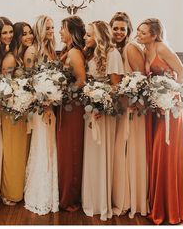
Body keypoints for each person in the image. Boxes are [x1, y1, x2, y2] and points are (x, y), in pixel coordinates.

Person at [137, 18, 183, 225]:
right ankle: (158, 204)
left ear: (154, 35)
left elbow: (182, 73)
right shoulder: (145, 50)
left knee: (164, 154)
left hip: (170, 111)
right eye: (138, 31)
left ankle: (169, 210)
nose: (139, 35)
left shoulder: (163, 48)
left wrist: (171, 94)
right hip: (156, 108)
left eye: (143, 32)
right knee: (156, 155)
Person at [82, 20, 124, 220]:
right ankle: (91, 199)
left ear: (98, 37)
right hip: (92, 110)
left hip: (104, 113)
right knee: (91, 154)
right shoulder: (91, 53)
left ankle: (101, 201)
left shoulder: (113, 54)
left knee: (101, 153)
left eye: (88, 34)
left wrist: (101, 104)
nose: (85, 37)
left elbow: (116, 87)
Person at [109, 12, 148, 218]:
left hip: (132, 109)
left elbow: (141, 80)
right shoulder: (115, 49)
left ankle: (131, 199)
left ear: (128, 30)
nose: (118, 32)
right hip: (122, 108)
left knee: (128, 151)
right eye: (115, 28)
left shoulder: (130, 48)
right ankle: (122, 196)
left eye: (122, 29)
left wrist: (132, 100)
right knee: (120, 152)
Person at [24, 15, 59, 215]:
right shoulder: (32, 51)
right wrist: (44, 104)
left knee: (50, 145)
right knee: (42, 145)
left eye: (53, 27)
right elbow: (30, 82)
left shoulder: (51, 50)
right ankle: (40, 194)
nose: (51, 31)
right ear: (39, 29)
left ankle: (51, 190)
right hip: (40, 107)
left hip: (50, 105)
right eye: (47, 28)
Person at [0, 18, 29, 206]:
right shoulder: (9, 58)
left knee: (18, 151)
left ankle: (17, 188)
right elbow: (5, 84)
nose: (7, 36)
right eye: (4, 33)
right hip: (12, 110)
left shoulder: (13, 54)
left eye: (9, 33)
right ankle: (9, 192)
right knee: (12, 151)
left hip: (20, 109)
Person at [56, 16, 86, 212]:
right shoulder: (68, 50)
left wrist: (62, 94)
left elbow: (81, 81)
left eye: (62, 28)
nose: (60, 32)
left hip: (72, 108)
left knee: (71, 151)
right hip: (65, 107)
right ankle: (64, 193)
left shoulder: (74, 52)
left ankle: (70, 198)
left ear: (72, 31)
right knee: (64, 152)